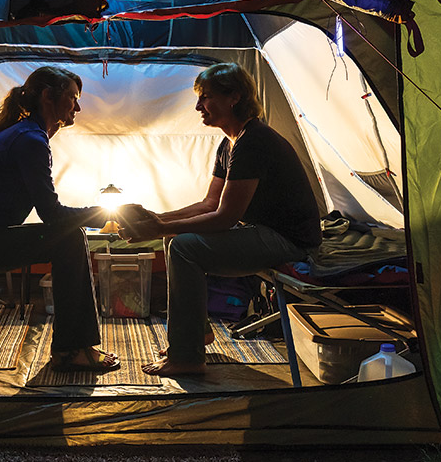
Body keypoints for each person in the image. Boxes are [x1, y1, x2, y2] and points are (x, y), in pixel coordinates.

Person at [121, 63, 321, 376]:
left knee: (183, 246)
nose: (198, 106)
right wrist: (158, 219)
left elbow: (226, 217)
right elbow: (210, 203)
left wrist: (159, 227)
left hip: (289, 241)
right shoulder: (229, 143)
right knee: (174, 239)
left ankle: (187, 357)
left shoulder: (254, 141)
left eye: (206, 97)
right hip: (261, 231)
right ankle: (196, 333)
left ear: (234, 97)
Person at [0, 65, 129, 372]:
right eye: (73, 98)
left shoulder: (27, 134)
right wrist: (106, 214)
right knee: (70, 240)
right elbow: (52, 215)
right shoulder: (29, 140)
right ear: (48, 96)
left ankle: (72, 347)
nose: (77, 107)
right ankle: (72, 350)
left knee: (70, 236)